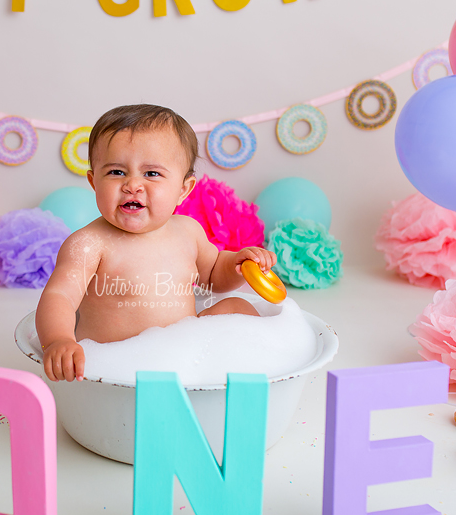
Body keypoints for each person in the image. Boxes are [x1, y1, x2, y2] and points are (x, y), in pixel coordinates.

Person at [36, 104, 276, 382]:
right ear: (93, 182)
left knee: (237, 307)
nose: (132, 185)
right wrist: (58, 340)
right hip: (116, 368)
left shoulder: (188, 231)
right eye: (116, 172)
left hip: (186, 353)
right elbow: (60, 297)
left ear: (183, 190)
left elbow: (212, 276)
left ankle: (243, 372)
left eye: (151, 174)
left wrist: (237, 263)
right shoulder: (88, 244)